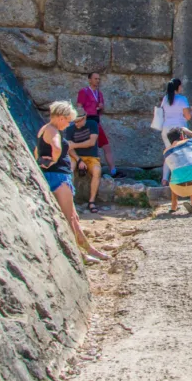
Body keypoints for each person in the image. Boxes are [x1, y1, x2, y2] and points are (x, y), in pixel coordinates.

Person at [36, 102, 108, 265]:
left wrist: (41, 162)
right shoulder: (53, 130)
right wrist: (54, 159)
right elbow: (55, 147)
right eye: (68, 121)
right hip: (59, 177)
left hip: (54, 175)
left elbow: (37, 151)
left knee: (73, 217)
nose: (69, 124)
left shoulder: (44, 128)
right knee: (70, 218)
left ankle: (88, 249)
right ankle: (82, 254)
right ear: (61, 118)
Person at [76, 72, 116, 176]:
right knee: (86, 146)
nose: (97, 81)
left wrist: (101, 108)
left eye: (99, 79)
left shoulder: (100, 94)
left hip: (96, 121)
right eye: (95, 79)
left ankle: (113, 170)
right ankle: (83, 168)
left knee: (106, 146)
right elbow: (79, 107)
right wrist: (80, 122)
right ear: (89, 80)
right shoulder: (83, 91)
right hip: (87, 120)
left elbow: (101, 112)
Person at [64, 108, 103, 214]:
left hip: (91, 157)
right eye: (74, 121)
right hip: (76, 156)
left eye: (78, 121)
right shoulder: (70, 129)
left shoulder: (92, 124)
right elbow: (69, 148)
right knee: (69, 169)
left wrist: (75, 145)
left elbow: (91, 142)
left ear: (84, 117)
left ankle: (92, 201)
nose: (76, 124)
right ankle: (68, 200)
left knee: (97, 171)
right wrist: (79, 160)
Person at [159, 78, 192, 184]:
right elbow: (187, 117)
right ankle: (179, 180)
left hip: (166, 129)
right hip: (178, 130)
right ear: (178, 87)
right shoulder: (182, 99)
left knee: (169, 153)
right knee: (180, 154)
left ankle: (164, 179)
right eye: (181, 86)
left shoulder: (165, 99)